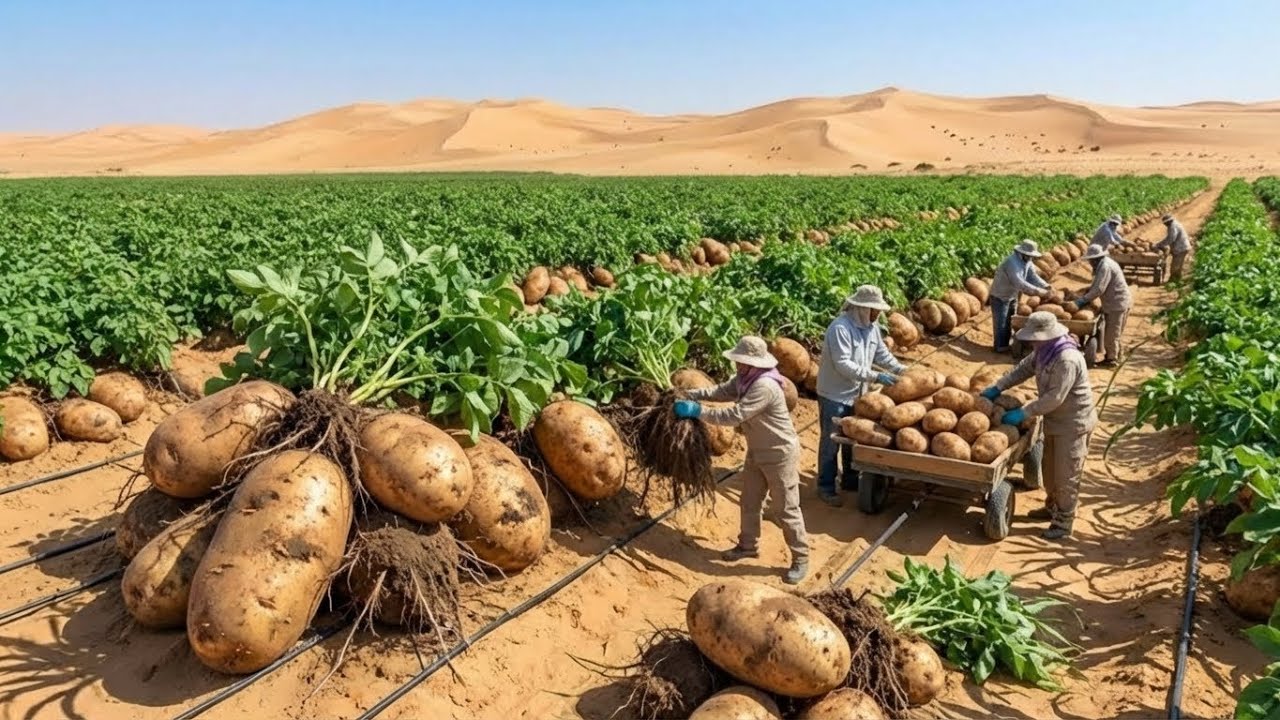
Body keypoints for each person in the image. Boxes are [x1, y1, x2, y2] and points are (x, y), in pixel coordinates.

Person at [674, 335, 810, 584]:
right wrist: (692, 394)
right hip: (757, 451)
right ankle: (747, 546)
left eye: (740, 361)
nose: (736, 365)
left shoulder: (764, 386)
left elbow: (734, 415)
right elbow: (721, 392)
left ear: (753, 363)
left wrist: (697, 411)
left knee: (785, 509)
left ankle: (800, 558)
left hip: (779, 454)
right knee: (749, 500)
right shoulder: (746, 379)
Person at [979, 312, 1097, 540]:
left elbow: (1055, 398)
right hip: (1053, 421)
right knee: (1050, 471)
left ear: (1048, 336)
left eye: (1035, 338)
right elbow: (1023, 370)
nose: (1032, 341)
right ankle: (1052, 507)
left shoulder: (1067, 359)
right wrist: (998, 387)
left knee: (1066, 475)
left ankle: (1063, 522)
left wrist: (1024, 412)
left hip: (1074, 424)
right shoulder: (1043, 352)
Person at [814, 285, 906, 507]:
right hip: (834, 395)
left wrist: (902, 371)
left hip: (859, 395)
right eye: (874, 310)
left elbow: (882, 354)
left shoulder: (871, 327)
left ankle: (850, 479)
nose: (877, 314)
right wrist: (876, 377)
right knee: (831, 440)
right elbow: (843, 364)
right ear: (861, 308)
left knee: (854, 437)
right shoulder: (840, 329)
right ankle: (826, 487)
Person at [1073, 245, 1133, 367]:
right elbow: (1096, 285)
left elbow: (1099, 289)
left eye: (1090, 260)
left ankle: (1111, 360)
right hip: (1115, 302)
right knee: (1114, 332)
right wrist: (1085, 291)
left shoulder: (1105, 266)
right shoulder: (1103, 264)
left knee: (1112, 333)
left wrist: (1082, 300)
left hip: (1117, 303)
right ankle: (1116, 354)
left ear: (1096, 259)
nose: (1089, 263)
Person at [988, 240, 1052, 353]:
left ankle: (1009, 343)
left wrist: (1046, 286)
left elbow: (1033, 276)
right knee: (1001, 323)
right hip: (1000, 295)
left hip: (1012, 295)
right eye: (1029, 255)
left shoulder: (1027, 261)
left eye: (1031, 256)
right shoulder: (1012, 263)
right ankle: (1000, 347)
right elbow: (1020, 283)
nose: (1030, 258)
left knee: (1011, 320)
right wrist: (1039, 292)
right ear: (1022, 253)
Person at [1153, 213, 1191, 281]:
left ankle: (1174, 281)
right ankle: (1176, 280)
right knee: (1177, 266)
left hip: (1181, 248)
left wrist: (1159, 244)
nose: (1165, 225)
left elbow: (1170, 239)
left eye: (1165, 223)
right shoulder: (1173, 225)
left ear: (1168, 221)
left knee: (1175, 266)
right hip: (1180, 247)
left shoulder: (1173, 226)